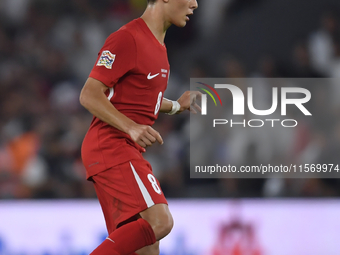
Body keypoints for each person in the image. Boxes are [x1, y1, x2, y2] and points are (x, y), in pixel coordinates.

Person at [79, 0, 199, 254]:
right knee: (160, 221)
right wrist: (131, 127)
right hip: (111, 145)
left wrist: (177, 106)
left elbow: (144, 100)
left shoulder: (159, 47)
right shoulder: (128, 38)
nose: (195, 4)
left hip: (119, 148)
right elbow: (89, 94)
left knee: (146, 249)